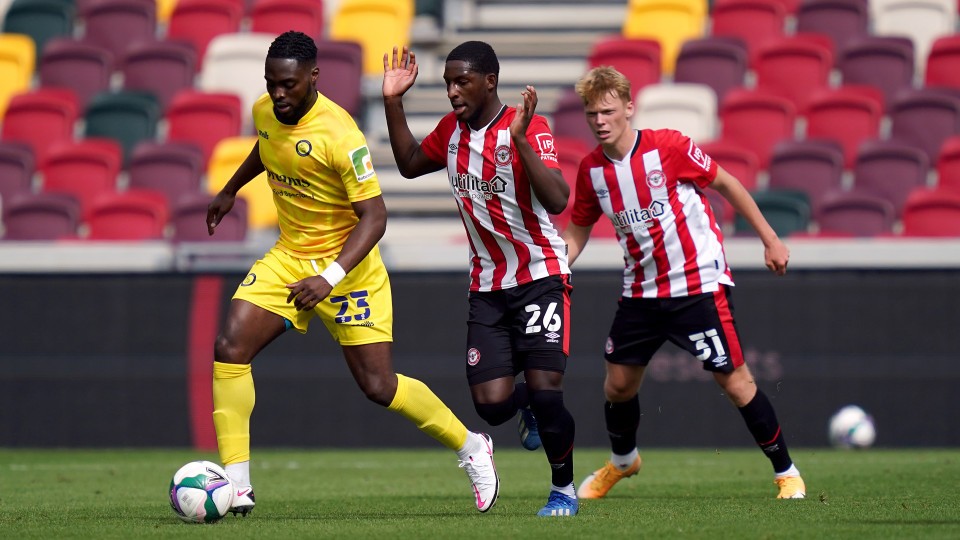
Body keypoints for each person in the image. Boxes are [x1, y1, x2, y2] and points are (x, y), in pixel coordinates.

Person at [205, 31, 499, 517]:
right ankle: (237, 485)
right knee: (230, 347)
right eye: (272, 83)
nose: (278, 94)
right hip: (289, 257)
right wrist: (230, 188)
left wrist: (330, 276)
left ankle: (471, 446)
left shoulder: (340, 134)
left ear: (313, 77)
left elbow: (376, 216)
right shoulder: (265, 111)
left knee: (379, 386)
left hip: (349, 269)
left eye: (289, 85)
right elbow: (267, 145)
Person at [564, 66, 806, 500]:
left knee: (734, 382)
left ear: (628, 108)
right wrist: (560, 265)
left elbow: (727, 184)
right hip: (641, 291)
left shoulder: (668, 147)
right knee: (617, 385)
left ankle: (786, 472)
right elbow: (579, 227)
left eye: (607, 111)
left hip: (697, 284)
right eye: (590, 114)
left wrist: (770, 240)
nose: (599, 121)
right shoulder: (591, 172)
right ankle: (623, 461)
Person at [381, 41, 579, 517]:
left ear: (489, 80)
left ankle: (563, 490)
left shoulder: (529, 126)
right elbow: (409, 165)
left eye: (461, 81)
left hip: (539, 275)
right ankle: (524, 402)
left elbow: (556, 200)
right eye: (448, 82)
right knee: (491, 406)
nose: (452, 91)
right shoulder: (451, 131)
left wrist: (522, 140)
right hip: (487, 285)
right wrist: (392, 101)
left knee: (548, 388)